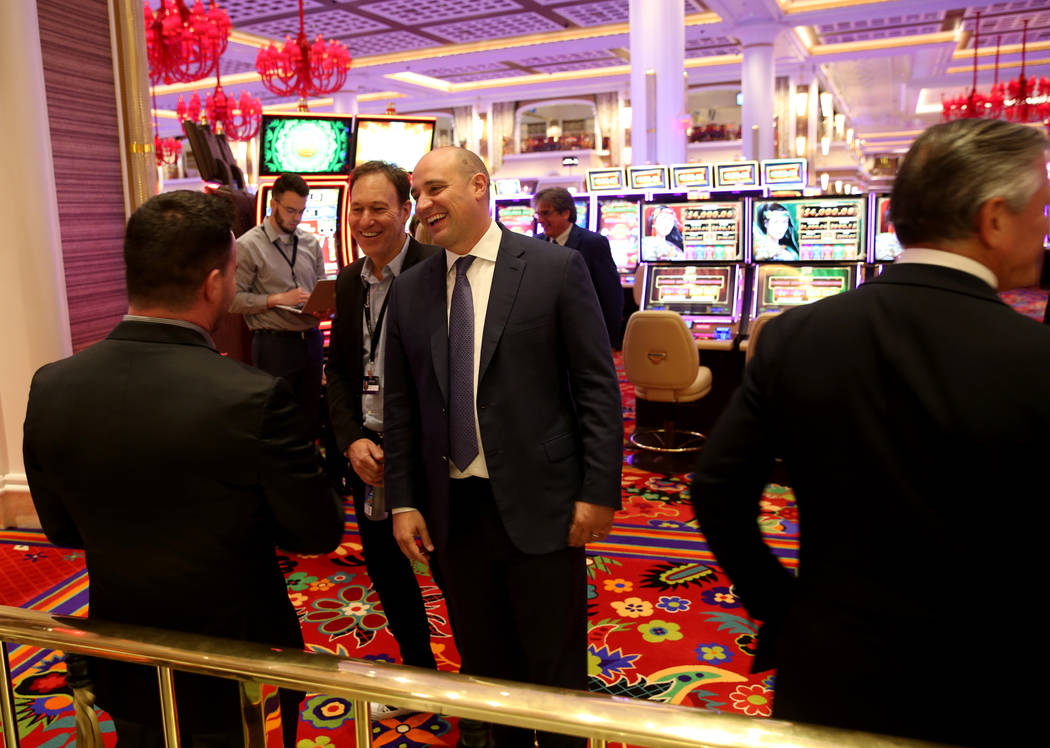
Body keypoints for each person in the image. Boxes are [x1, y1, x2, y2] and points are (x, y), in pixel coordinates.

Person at [690, 118, 1050, 745]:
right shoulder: (1035, 355)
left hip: (830, 662)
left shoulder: (797, 334)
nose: (1045, 229)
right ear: (994, 219)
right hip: (989, 677)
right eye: (1042, 210)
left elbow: (716, 487)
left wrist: (784, 607)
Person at [23, 190, 344, 747]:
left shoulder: (51, 385)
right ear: (214, 284)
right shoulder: (252, 397)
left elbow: (60, 528)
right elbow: (316, 531)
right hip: (240, 661)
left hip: (123, 647)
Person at [384, 147, 623, 748]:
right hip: (452, 512)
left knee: (556, 671)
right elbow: (403, 405)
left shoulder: (550, 268)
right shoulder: (411, 288)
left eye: (436, 189)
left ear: (479, 186)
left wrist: (599, 490)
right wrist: (404, 499)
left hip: (543, 503)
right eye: (417, 195)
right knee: (487, 671)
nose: (424, 205)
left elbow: (596, 387)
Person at [325, 161, 442, 716]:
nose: (366, 220)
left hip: (427, 455)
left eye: (379, 208)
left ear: (405, 210)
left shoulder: (438, 270)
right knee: (389, 576)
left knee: (449, 571)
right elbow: (340, 374)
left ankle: (480, 691)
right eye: (357, 209)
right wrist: (350, 440)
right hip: (367, 454)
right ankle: (420, 677)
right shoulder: (349, 281)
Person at [230, 172, 328, 432]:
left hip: (311, 340)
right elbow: (233, 301)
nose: (296, 218)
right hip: (274, 344)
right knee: (277, 423)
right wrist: (276, 299)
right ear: (273, 204)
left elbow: (322, 285)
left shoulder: (310, 243)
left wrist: (323, 304)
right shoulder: (248, 246)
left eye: (301, 211)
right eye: (290, 210)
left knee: (310, 420)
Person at [533, 187, 624, 347]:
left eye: (546, 213)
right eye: (538, 214)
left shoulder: (593, 243)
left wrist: (608, 341)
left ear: (565, 213)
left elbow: (610, 295)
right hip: (546, 334)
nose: (540, 220)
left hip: (584, 333)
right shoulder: (536, 243)